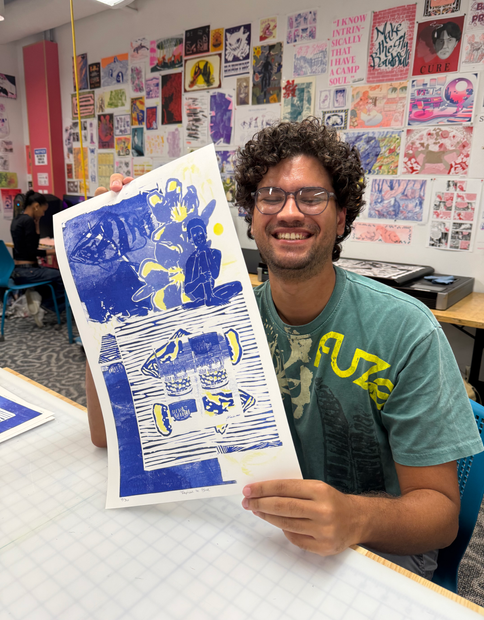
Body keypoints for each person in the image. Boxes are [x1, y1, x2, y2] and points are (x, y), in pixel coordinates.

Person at [86, 118, 483, 579]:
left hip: (370, 548)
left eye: (312, 197)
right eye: (271, 196)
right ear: (252, 218)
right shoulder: (221, 320)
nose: (289, 212)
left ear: (341, 217)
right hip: (257, 531)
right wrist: (98, 293)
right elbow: (106, 436)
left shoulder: (405, 331)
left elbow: (439, 518)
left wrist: (354, 517)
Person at [10, 190, 65, 325]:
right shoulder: (28, 221)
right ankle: (47, 306)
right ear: (36, 206)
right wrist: (54, 251)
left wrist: (37, 222)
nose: (43, 214)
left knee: (50, 275)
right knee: (60, 276)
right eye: (43, 210)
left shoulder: (17, 219)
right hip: (28, 270)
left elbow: (29, 247)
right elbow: (32, 251)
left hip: (18, 270)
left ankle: (40, 300)